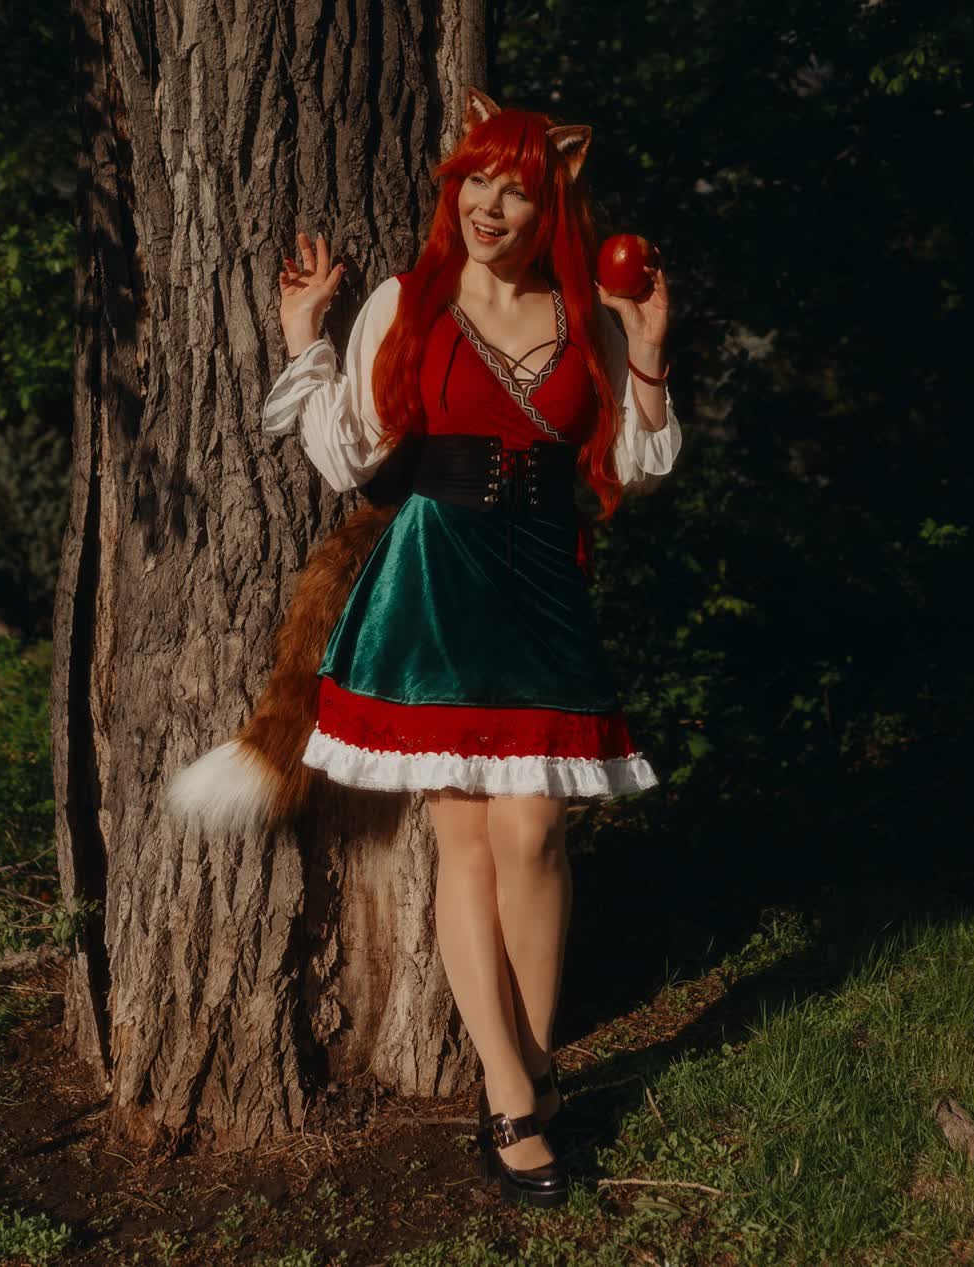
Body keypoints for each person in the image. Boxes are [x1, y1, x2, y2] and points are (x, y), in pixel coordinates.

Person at [190, 85, 681, 1207]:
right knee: (466, 839)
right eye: (475, 183)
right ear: (453, 187)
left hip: (544, 585)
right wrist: (303, 341)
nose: (489, 207)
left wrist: (649, 350)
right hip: (435, 579)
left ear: (550, 202)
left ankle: (537, 1068)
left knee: (536, 834)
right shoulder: (408, 302)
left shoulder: (586, 313)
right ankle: (509, 1094)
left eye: (515, 190)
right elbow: (348, 455)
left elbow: (639, 466)